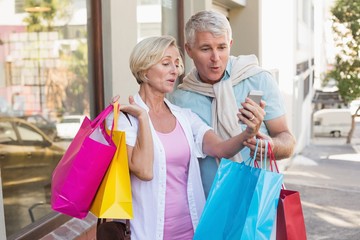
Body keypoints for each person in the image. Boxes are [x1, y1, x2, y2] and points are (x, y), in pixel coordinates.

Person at [107, 36, 265, 240]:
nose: (174, 70)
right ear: (144, 70)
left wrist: (249, 133)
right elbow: (144, 171)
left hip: (193, 229)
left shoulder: (184, 116)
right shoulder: (122, 119)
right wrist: (143, 118)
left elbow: (221, 149)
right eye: (166, 64)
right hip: (147, 233)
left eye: (176, 63)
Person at [169, 10, 296, 197]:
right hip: (207, 204)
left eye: (221, 47)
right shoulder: (179, 99)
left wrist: (269, 147)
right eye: (205, 49)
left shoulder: (258, 79)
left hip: (257, 199)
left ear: (230, 44)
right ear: (189, 50)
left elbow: (287, 140)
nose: (215, 58)